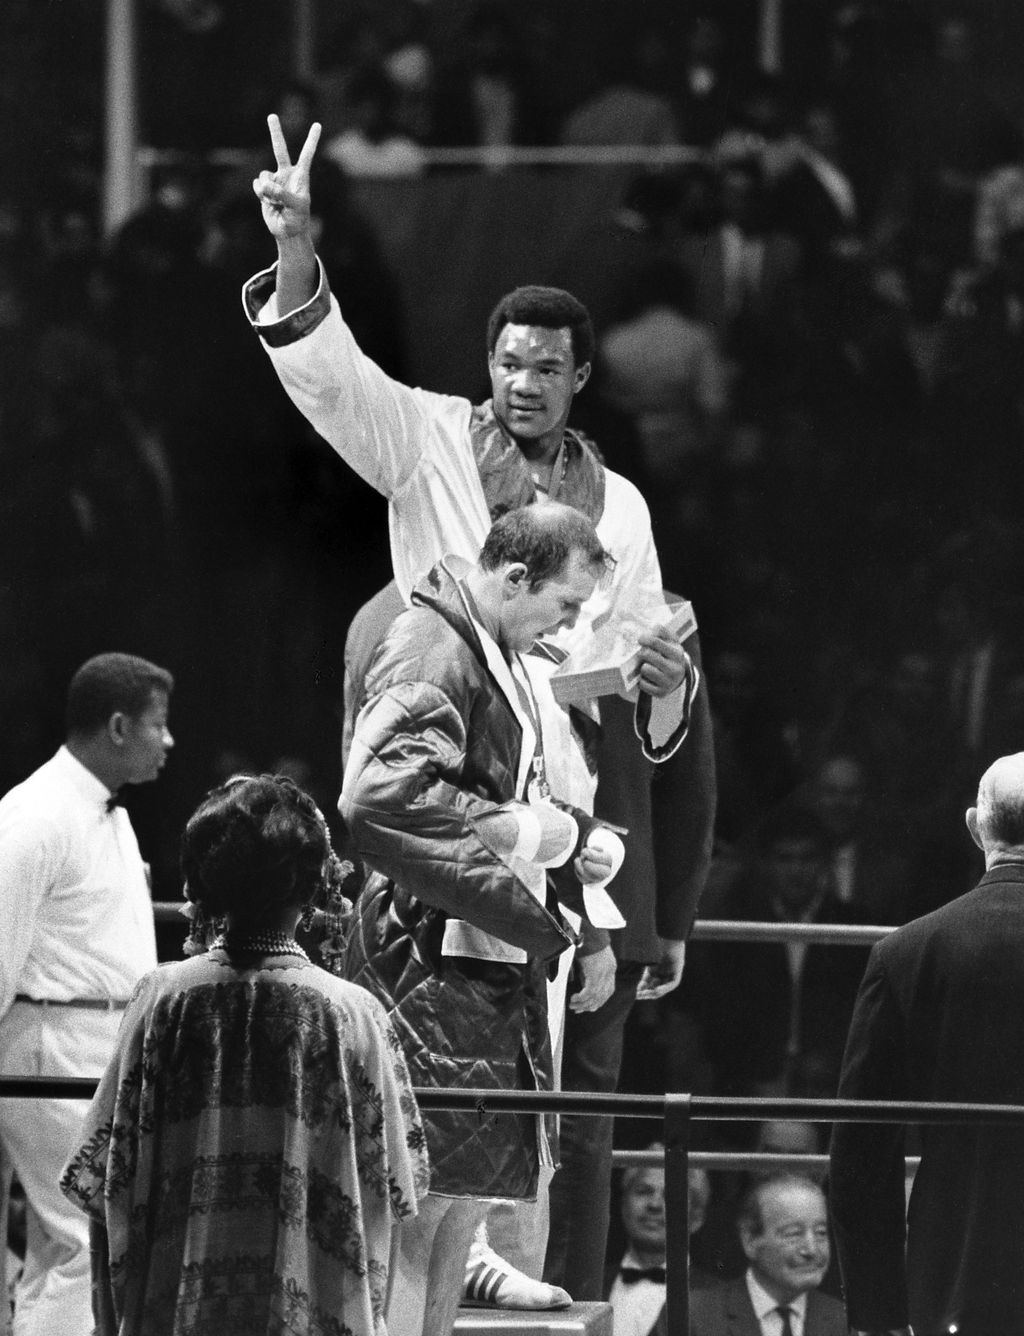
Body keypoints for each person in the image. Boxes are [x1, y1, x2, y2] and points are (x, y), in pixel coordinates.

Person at [247, 112, 702, 1304]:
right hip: (444, 793)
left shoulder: (625, 508)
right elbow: (328, 372)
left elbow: (630, 676)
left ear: (578, 377)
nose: (521, 382)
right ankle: (411, 1288)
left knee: (530, 1058)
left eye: (545, 366)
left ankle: (491, 1262)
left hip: (555, 799)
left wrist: (664, 694)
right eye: (507, 360)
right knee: (425, 1058)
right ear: (488, 361)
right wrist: (299, 249)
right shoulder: (432, 438)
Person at [339, 503, 627, 1336]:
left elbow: (491, 795)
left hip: (472, 961)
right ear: (512, 578)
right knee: (419, 1216)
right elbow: (378, 799)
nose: (571, 625)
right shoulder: (434, 648)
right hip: (425, 961)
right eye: (566, 605)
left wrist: (570, 845)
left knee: (456, 1214)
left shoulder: (492, 649)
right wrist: (531, 831)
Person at [60, 772, 429, 1336]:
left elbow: (103, 1183)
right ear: (315, 888)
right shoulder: (353, 1014)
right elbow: (393, 1192)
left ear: (203, 887)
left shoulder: (161, 1001)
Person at [0, 652, 174, 1336]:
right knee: (81, 1238)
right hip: (49, 1046)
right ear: (120, 725)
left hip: (86, 1044)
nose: (169, 741)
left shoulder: (99, 813)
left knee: (70, 1243)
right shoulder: (37, 817)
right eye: (160, 724)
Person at [829, 750, 1024, 1336]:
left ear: (974, 827)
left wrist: (878, 1310)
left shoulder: (906, 952)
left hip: (953, 1260)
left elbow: (861, 1149)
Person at [681, 1175, 846, 1336]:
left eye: (821, 1233)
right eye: (793, 1234)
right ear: (750, 1240)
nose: (811, 1249)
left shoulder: (844, 1322)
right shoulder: (693, 1317)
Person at [605, 1150, 712, 1336]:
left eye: (670, 1196)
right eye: (643, 1191)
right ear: (622, 1204)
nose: (654, 1205)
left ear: (696, 1218)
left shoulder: (715, 1296)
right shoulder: (588, 1285)